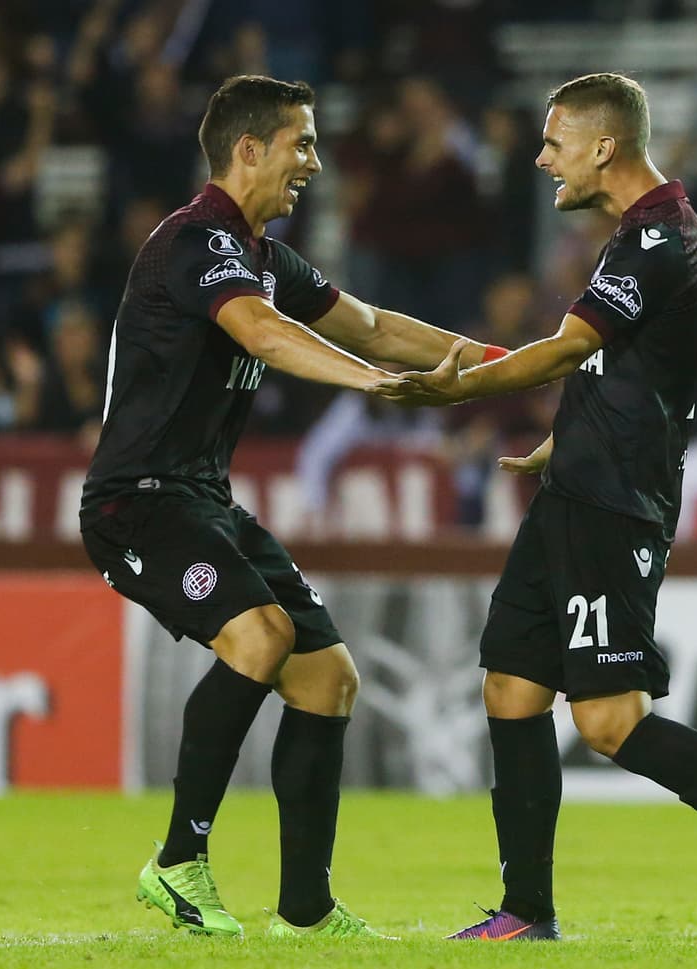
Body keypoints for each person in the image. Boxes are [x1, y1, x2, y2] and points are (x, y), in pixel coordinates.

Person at [374, 73, 697, 945]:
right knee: (512, 686)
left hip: (615, 504)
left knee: (607, 721)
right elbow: (636, 370)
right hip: (575, 487)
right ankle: (527, 910)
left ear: (604, 147)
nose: (541, 157)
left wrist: (450, 393)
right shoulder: (640, 234)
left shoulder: (660, 241)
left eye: (554, 141)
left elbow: (568, 350)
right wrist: (569, 438)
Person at [79, 75, 504, 941]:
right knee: (261, 636)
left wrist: (514, 361)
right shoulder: (197, 242)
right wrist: (376, 386)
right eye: (300, 143)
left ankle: (305, 910)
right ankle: (176, 859)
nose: (313, 161)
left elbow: (376, 325)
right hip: (136, 504)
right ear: (248, 148)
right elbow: (265, 333)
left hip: (202, 498)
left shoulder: (265, 258)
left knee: (326, 676)